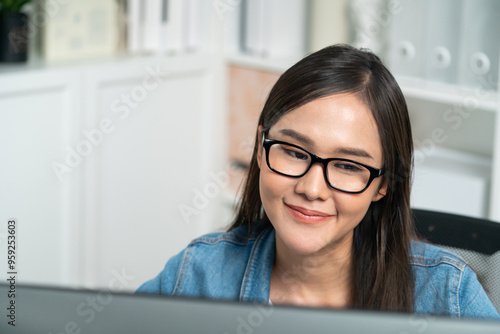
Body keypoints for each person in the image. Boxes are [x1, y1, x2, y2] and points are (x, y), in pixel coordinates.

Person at [136, 44, 499, 319]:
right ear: (262, 149)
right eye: (294, 152)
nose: (312, 189)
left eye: (347, 166)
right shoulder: (197, 275)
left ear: (384, 183)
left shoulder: (448, 296)